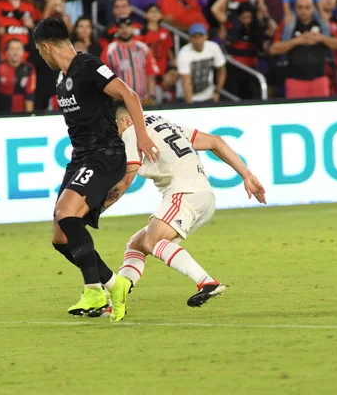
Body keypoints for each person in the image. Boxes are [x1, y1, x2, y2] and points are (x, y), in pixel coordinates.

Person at [32, 17, 158, 322]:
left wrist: (140, 135)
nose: (42, 57)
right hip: (80, 159)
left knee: (67, 214)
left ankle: (94, 291)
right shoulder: (61, 79)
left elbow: (129, 94)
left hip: (104, 155)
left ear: (46, 47)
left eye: (40, 51)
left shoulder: (88, 66)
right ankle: (115, 285)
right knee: (61, 238)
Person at [99, 104, 267, 306]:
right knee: (136, 244)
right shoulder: (163, 123)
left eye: (114, 128)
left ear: (126, 120)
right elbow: (215, 141)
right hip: (204, 196)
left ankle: (207, 282)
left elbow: (126, 180)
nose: (115, 135)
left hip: (184, 193)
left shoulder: (131, 132)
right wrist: (247, 175)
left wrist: (95, 211)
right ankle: (120, 295)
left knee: (151, 242)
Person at [102, 17, 160, 105]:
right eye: (121, 27)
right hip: (120, 101)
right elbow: (104, 76)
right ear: (117, 30)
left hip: (143, 100)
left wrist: (151, 95)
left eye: (127, 27)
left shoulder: (142, 48)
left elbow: (150, 72)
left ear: (132, 28)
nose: (124, 30)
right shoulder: (110, 50)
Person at [177, 23, 227, 104]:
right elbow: (186, 81)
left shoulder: (213, 47)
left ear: (206, 37)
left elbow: (221, 70)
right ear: (190, 39)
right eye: (195, 37)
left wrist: (217, 92)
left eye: (200, 36)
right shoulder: (183, 53)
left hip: (209, 96)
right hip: (187, 98)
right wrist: (190, 105)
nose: (198, 40)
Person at [0, 39, 36, 114]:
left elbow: (30, 95)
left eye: (18, 48)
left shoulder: (30, 69)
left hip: (20, 113)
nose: (15, 52)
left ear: (23, 52)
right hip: (0, 112)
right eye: (12, 48)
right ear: (6, 51)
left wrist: (29, 117)